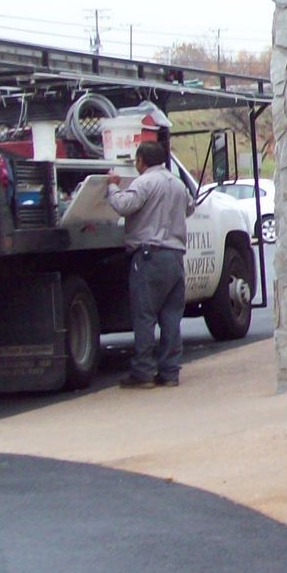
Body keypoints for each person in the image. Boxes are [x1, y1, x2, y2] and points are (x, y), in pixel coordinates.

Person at [105, 139, 195, 388]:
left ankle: (143, 372)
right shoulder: (177, 184)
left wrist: (112, 186)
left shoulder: (144, 182)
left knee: (144, 315)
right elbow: (190, 208)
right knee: (171, 317)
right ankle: (170, 372)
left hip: (149, 256)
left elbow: (124, 205)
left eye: (137, 160)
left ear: (141, 161)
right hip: (175, 256)